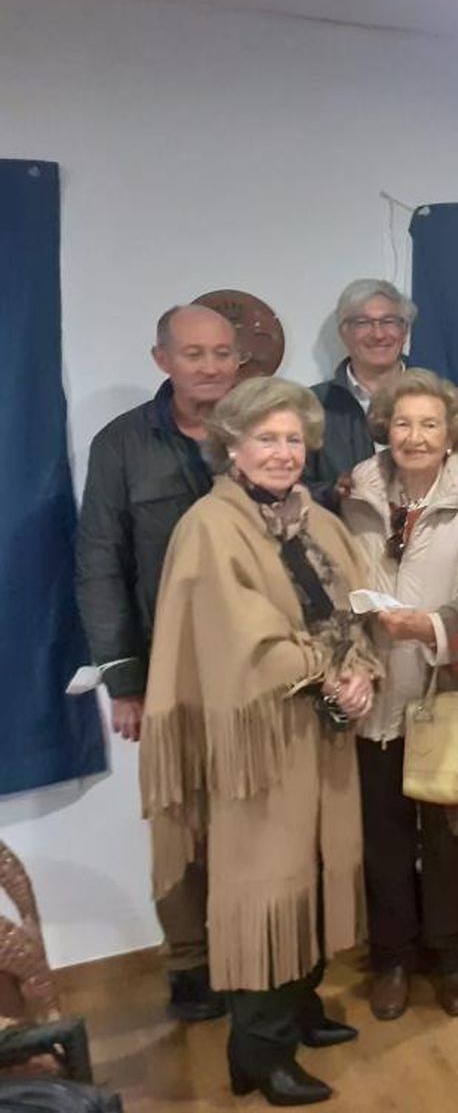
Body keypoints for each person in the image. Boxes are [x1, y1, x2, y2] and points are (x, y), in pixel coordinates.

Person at [140, 377, 379, 1105]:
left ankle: (301, 1007)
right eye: (265, 439)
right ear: (233, 447)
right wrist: (327, 672)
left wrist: (362, 669)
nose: (282, 453)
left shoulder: (319, 519)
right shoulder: (211, 526)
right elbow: (242, 638)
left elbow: (362, 604)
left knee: (315, 869)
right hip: (259, 742)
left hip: (324, 734)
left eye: (292, 439)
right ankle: (258, 1052)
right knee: (265, 887)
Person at [340, 369, 458, 1021]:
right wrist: (350, 661)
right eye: (403, 423)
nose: (415, 436)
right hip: (371, 703)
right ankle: (392, 958)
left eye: (429, 424)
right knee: (383, 842)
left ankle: (455, 959)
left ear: (452, 435)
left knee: (452, 839)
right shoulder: (354, 499)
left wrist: (433, 627)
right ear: (384, 429)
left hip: (448, 699)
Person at [75, 303, 240, 1023]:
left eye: (222, 353)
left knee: (256, 814)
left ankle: (251, 958)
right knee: (181, 817)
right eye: (193, 353)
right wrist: (124, 678)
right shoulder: (122, 445)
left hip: (257, 666)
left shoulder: (264, 431)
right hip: (169, 667)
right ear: (161, 359)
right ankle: (190, 964)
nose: (209, 367)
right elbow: (99, 564)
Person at [307, 279, 412, 496]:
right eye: (363, 323)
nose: (378, 334)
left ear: (405, 330)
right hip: (342, 528)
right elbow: (292, 489)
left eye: (389, 321)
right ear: (344, 332)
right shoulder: (311, 405)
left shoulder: (440, 400)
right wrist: (334, 492)